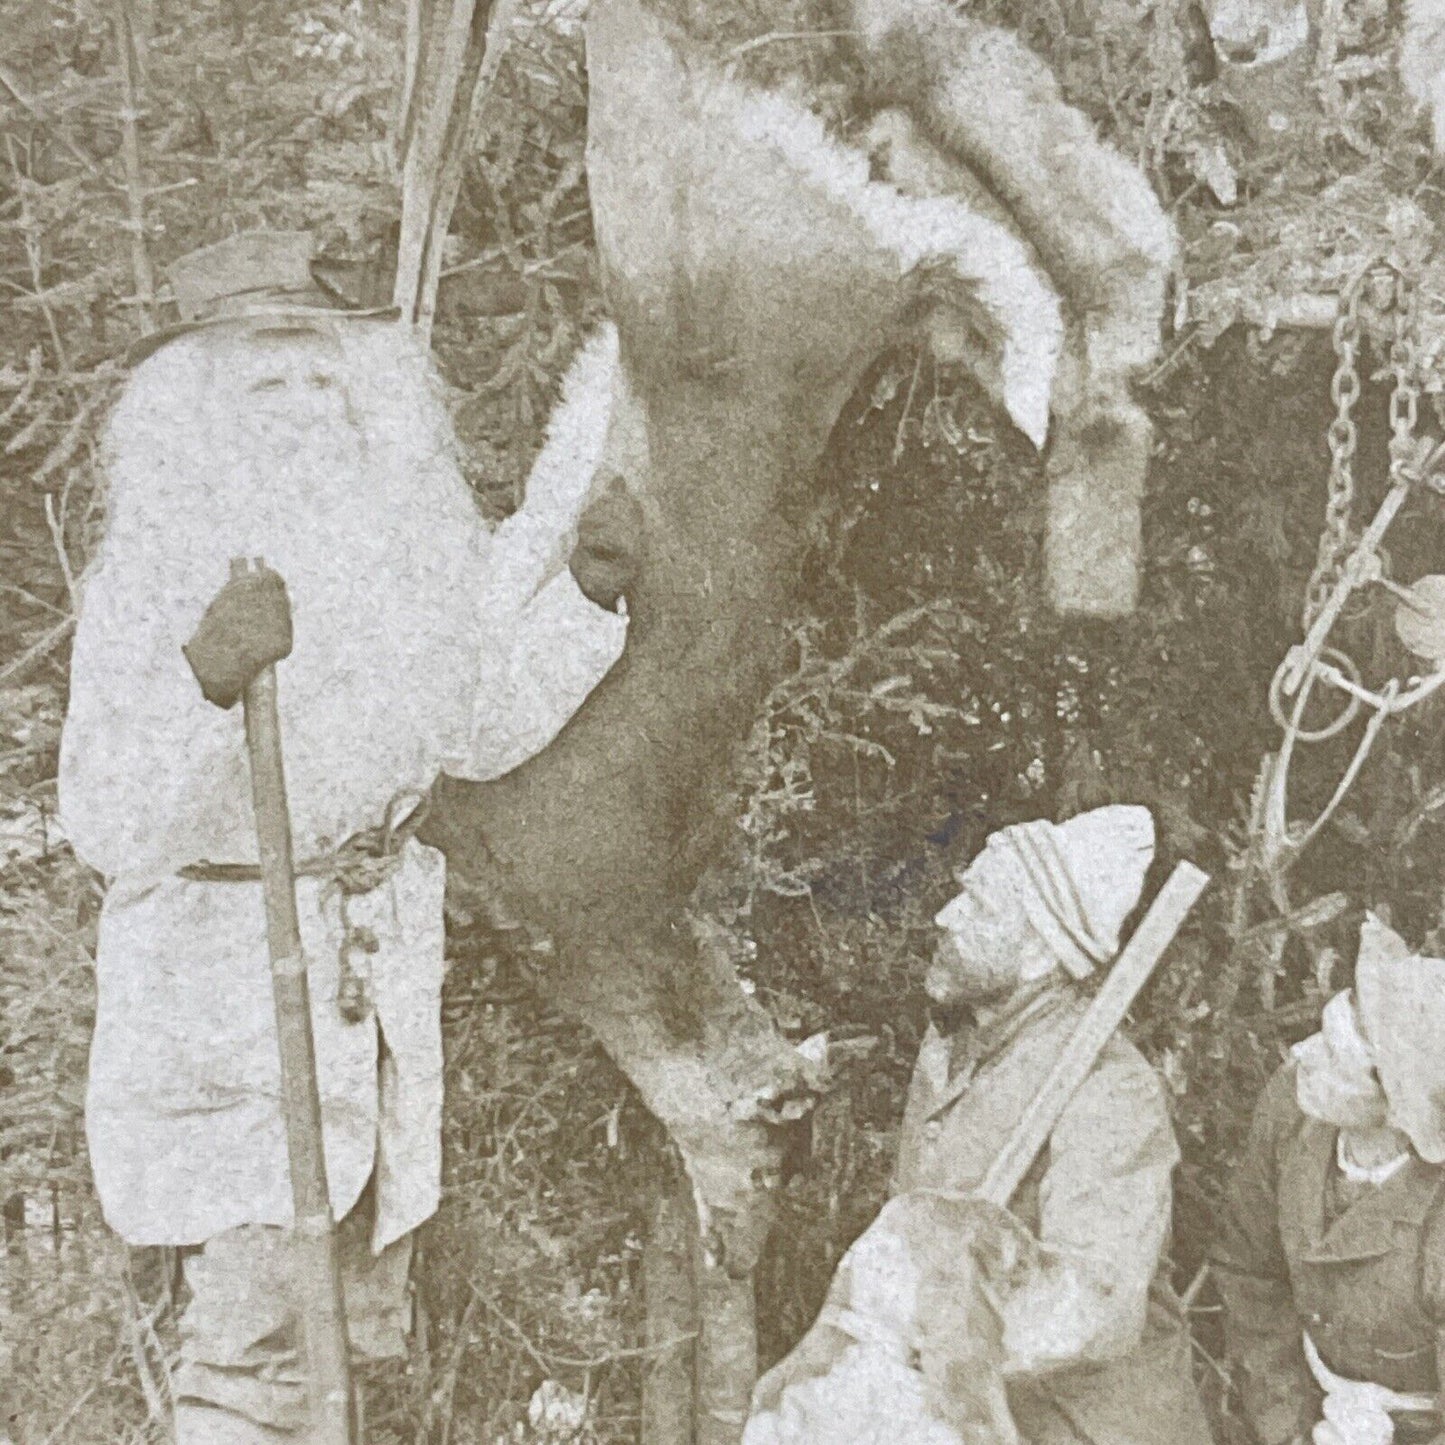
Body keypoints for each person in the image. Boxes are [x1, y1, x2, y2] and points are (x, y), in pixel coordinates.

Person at [57, 231, 638, 1443]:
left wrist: (582, 602)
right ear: (198, 410)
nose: (305, 405)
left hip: (364, 999)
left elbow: (470, 729)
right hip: (225, 1000)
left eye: (325, 375)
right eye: (269, 381)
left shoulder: (396, 553)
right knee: (258, 1349)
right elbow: (107, 821)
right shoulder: (155, 577)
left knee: (352, 1343)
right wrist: (204, 679)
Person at [746, 805, 1213, 1444]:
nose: (947, 917)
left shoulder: (1107, 1088)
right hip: (954, 1405)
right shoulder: (952, 1047)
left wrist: (955, 1314)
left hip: (1080, 1426)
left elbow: (1099, 1303)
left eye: (980, 907)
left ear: (1036, 955)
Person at [1213, 914, 1445, 1445]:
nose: (1304, 1054)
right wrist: (1291, 1428)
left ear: (1400, 1108)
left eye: (1341, 1054)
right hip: (1299, 1406)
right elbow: (1249, 1270)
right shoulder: (1291, 1105)